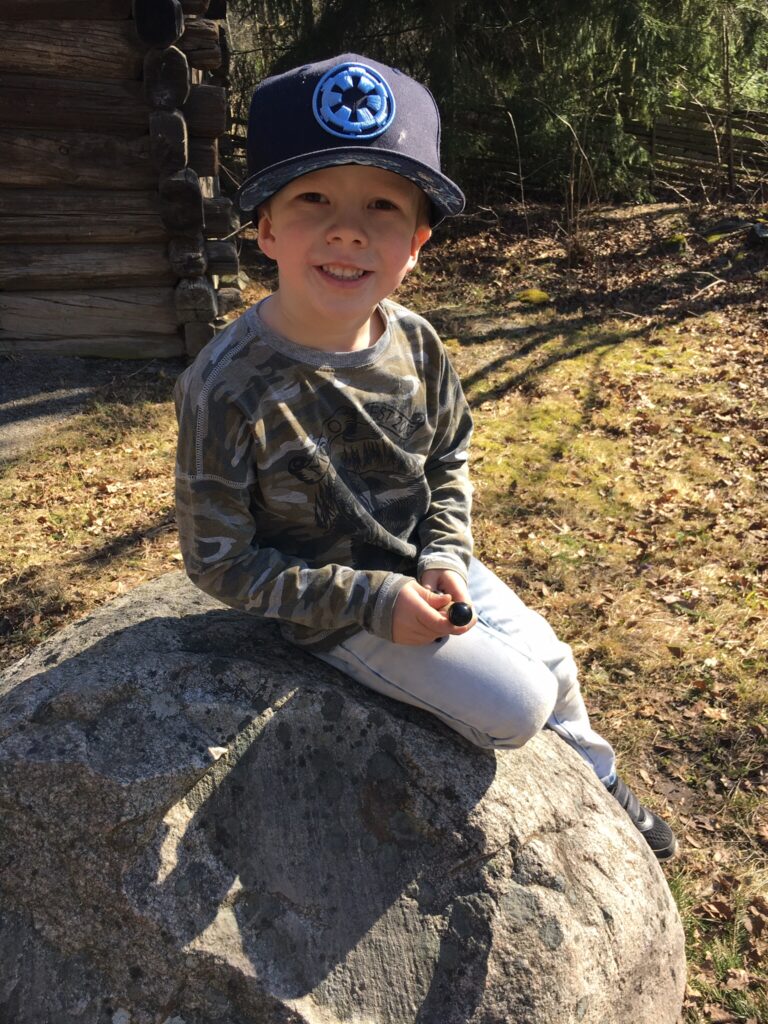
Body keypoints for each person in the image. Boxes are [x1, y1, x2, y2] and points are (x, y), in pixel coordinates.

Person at [174, 53, 676, 860]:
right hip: (334, 608)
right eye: (312, 199)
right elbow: (218, 560)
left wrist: (444, 552)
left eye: (381, 205)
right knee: (520, 704)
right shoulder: (225, 386)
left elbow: (449, 453)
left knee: (555, 662)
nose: (347, 230)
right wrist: (372, 602)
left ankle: (599, 778)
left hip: (430, 566)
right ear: (265, 227)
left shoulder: (415, 341)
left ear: (416, 243)